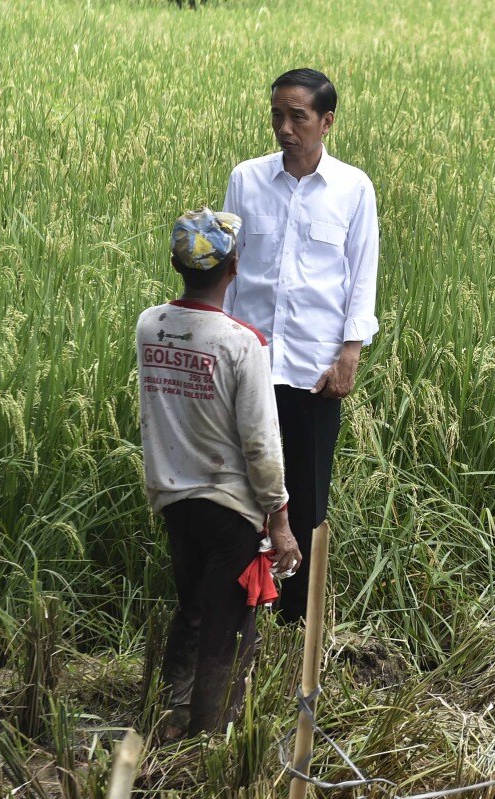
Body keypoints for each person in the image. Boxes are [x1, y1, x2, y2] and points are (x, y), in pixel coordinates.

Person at [137, 207, 302, 741]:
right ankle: (204, 740)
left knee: (191, 609)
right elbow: (260, 442)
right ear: (234, 267)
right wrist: (279, 519)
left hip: (172, 499)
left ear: (173, 263)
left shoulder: (151, 325)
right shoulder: (240, 344)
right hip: (230, 510)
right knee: (225, 628)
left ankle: (168, 716)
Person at [222, 68, 379, 623]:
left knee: (307, 498)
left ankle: (296, 625)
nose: (284, 127)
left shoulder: (353, 188)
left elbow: (362, 274)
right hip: (250, 365)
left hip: (313, 369)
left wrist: (350, 352)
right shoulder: (246, 179)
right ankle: (243, 610)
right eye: (276, 115)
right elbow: (231, 270)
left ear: (326, 121)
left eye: (298, 116)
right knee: (243, 491)